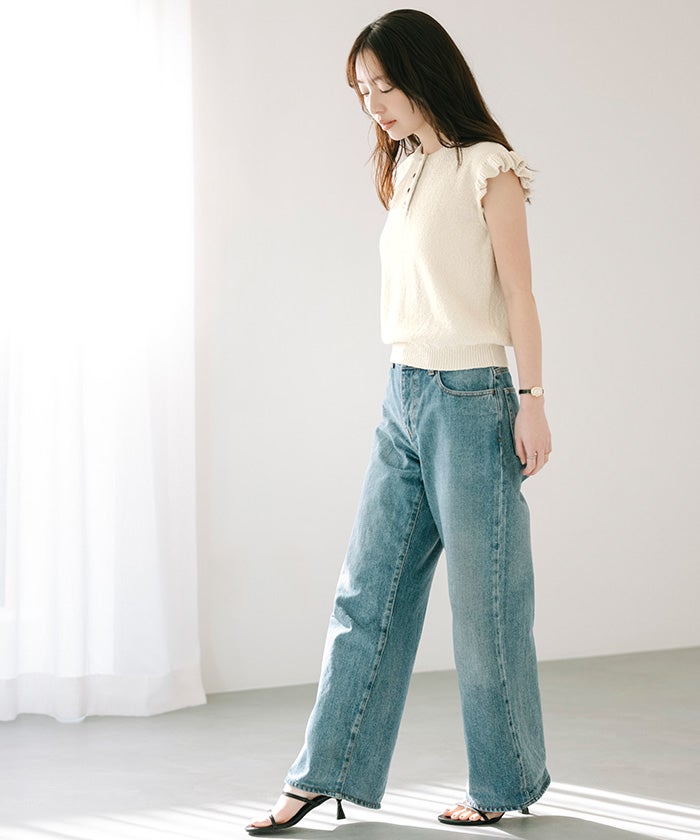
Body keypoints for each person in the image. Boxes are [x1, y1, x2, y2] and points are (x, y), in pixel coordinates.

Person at [246, 8, 551, 833]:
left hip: (473, 398)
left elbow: (520, 292)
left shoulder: (487, 167)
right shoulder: (407, 169)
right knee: (366, 594)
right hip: (404, 394)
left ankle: (503, 782)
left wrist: (532, 399)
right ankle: (323, 772)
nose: (372, 104)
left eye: (383, 86)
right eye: (361, 90)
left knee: (484, 606)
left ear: (426, 75)